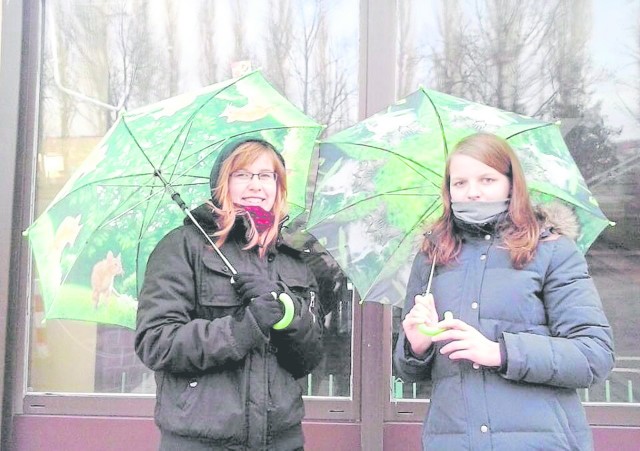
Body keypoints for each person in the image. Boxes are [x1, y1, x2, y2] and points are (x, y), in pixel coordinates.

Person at [393, 133, 614, 450]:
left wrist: (500, 352)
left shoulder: (551, 251)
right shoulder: (432, 256)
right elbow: (410, 372)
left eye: (487, 179)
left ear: (512, 183)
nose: (473, 192)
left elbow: (594, 355)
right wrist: (416, 347)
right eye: (460, 183)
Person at [135, 138, 324, 451]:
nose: (255, 185)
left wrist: (285, 311)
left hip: (280, 442)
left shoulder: (294, 257)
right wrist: (245, 327)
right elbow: (156, 342)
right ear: (223, 183)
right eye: (242, 175)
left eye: (266, 176)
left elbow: (310, 357)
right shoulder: (183, 247)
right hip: (201, 441)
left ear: (278, 186)